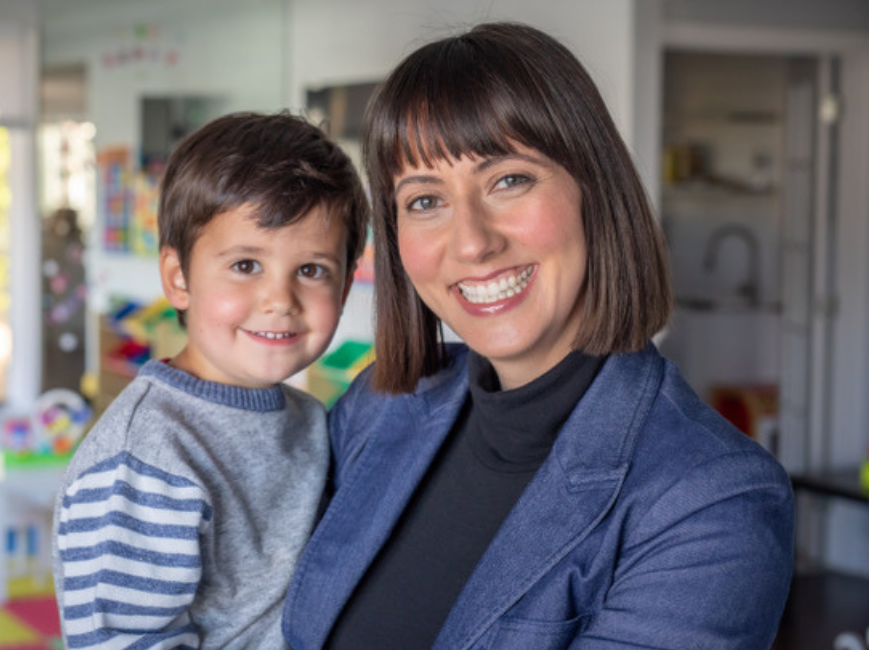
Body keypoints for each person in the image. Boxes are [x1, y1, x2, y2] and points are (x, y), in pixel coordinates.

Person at [283, 22, 794, 650]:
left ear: (594, 191)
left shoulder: (709, 505)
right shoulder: (380, 407)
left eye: (509, 180)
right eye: (424, 201)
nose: (471, 242)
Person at [52, 111, 368, 649]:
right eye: (246, 265)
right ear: (178, 279)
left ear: (343, 289)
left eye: (312, 270)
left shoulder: (308, 417)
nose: (280, 300)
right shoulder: (144, 461)